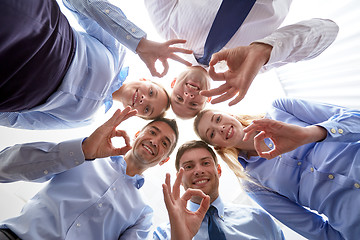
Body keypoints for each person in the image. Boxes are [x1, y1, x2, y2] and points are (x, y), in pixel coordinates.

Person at [0, 0, 192, 129]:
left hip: (12, 89)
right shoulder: (117, 51)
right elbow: (84, 4)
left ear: (137, 115)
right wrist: (140, 43)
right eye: (151, 93)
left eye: (147, 109)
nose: (144, 100)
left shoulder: (86, 120)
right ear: (145, 80)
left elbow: (20, 120)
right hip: (40, 31)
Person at [0, 106, 179, 239]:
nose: (155, 141)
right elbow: (4, 167)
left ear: (164, 160)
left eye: (165, 143)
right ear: (138, 134)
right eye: (153, 132)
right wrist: (83, 151)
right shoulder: (83, 155)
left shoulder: (143, 214)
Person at [193, 97, 360, 240]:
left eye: (218, 119)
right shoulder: (252, 184)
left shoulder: (279, 109)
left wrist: (309, 134)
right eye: (212, 134)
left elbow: (355, 118)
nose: (220, 128)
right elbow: (314, 230)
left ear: (230, 114)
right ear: (217, 147)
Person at [144, 0, 339, 118]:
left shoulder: (166, 28)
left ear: (173, 82)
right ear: (209, 98)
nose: (188, 96)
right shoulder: (250, 67)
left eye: (178, 98)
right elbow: (329, 31)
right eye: (194, 104)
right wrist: (264, 50)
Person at [154, 140, 285, 240]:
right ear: (179, 179)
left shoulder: (259, 220)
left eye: (205, 163)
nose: (198, 171)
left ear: (219, 170)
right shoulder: (164, 234)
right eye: (189, 166)